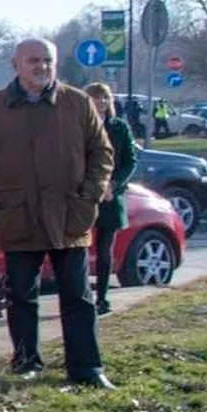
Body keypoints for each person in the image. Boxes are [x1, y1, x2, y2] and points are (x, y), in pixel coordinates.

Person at [0, 39, 115, 389]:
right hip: (19, 214)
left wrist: (88, 197)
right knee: (21, 294)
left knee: (77, 296)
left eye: (48, 60)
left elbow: (102, 153)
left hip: (69, 215)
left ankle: (87, 368)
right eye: (34, 61)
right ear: (16, 64)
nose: (42, 67)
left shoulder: (77, 102)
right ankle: (27, 361)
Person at [84, 83, 138, 318]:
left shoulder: (119, 127)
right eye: (96, 98)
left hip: (110, 196)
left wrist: (113, 185)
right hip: (85, 196)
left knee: (105, 250)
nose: (101, 103)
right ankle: (82, 296)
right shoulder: (80, 125)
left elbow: (130, 161)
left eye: (105, 98)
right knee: (79, 250)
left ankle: (102, 297)